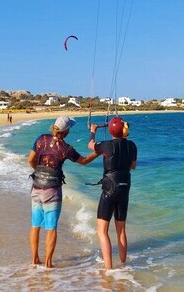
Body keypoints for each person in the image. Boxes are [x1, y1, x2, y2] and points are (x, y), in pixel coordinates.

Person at [28, 115, 98, 268]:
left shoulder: (41, 139)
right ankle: (48, 264)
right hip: (52, 191)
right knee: (51, 228)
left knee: (35, 225)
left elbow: (31, 160)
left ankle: (34, 260)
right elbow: (84, 161)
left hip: (36, 187)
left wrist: (39, 172)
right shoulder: (66, 148)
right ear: (66, 131)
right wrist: (98, 152)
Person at [88, 116, 137, 269]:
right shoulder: (132, 146)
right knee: (121, 230)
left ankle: (109, 269)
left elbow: (90, 145)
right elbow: (133, 166)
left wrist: (93, 132)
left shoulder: (107, 146)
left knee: (102, 231)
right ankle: (123, 265)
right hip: (124, 188)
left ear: (110, 131)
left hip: (110, 189)